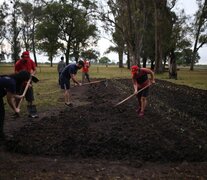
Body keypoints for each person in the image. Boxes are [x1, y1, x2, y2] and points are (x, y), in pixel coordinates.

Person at [0, 70, 31, 141]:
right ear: (22, 79)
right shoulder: (12, 83)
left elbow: (10, 94)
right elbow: (9, 99)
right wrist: (15, 109)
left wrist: (19, 97)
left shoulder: (10, 78)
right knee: (1, 114)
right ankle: (1, 135)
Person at [14, 50, 37, 117]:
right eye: (25, 58)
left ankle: (31, 112)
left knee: (30, 98)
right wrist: (25, 82)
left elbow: (35, 69)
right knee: (18, 97)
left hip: (29, 81)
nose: (26, 60)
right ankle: (16, 111)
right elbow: (16, 73)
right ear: (22, 57)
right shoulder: (18, 63)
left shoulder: (30, 61)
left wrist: (32, 75)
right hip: (20, 82)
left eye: (27, 58)